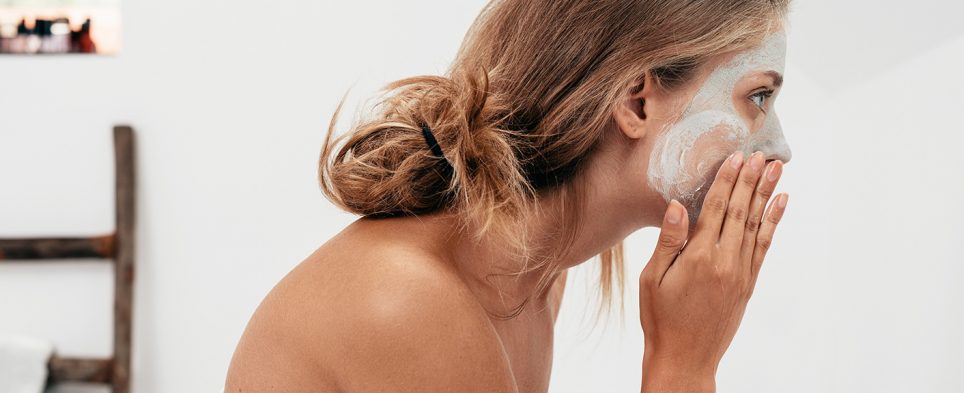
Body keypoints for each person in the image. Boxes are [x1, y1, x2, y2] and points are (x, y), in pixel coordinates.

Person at [226, 0, 793, 391]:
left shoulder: (535, 273)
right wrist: (683, 369)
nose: (781, 147)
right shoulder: (411, 303)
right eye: (759, 98)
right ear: (637, 102)